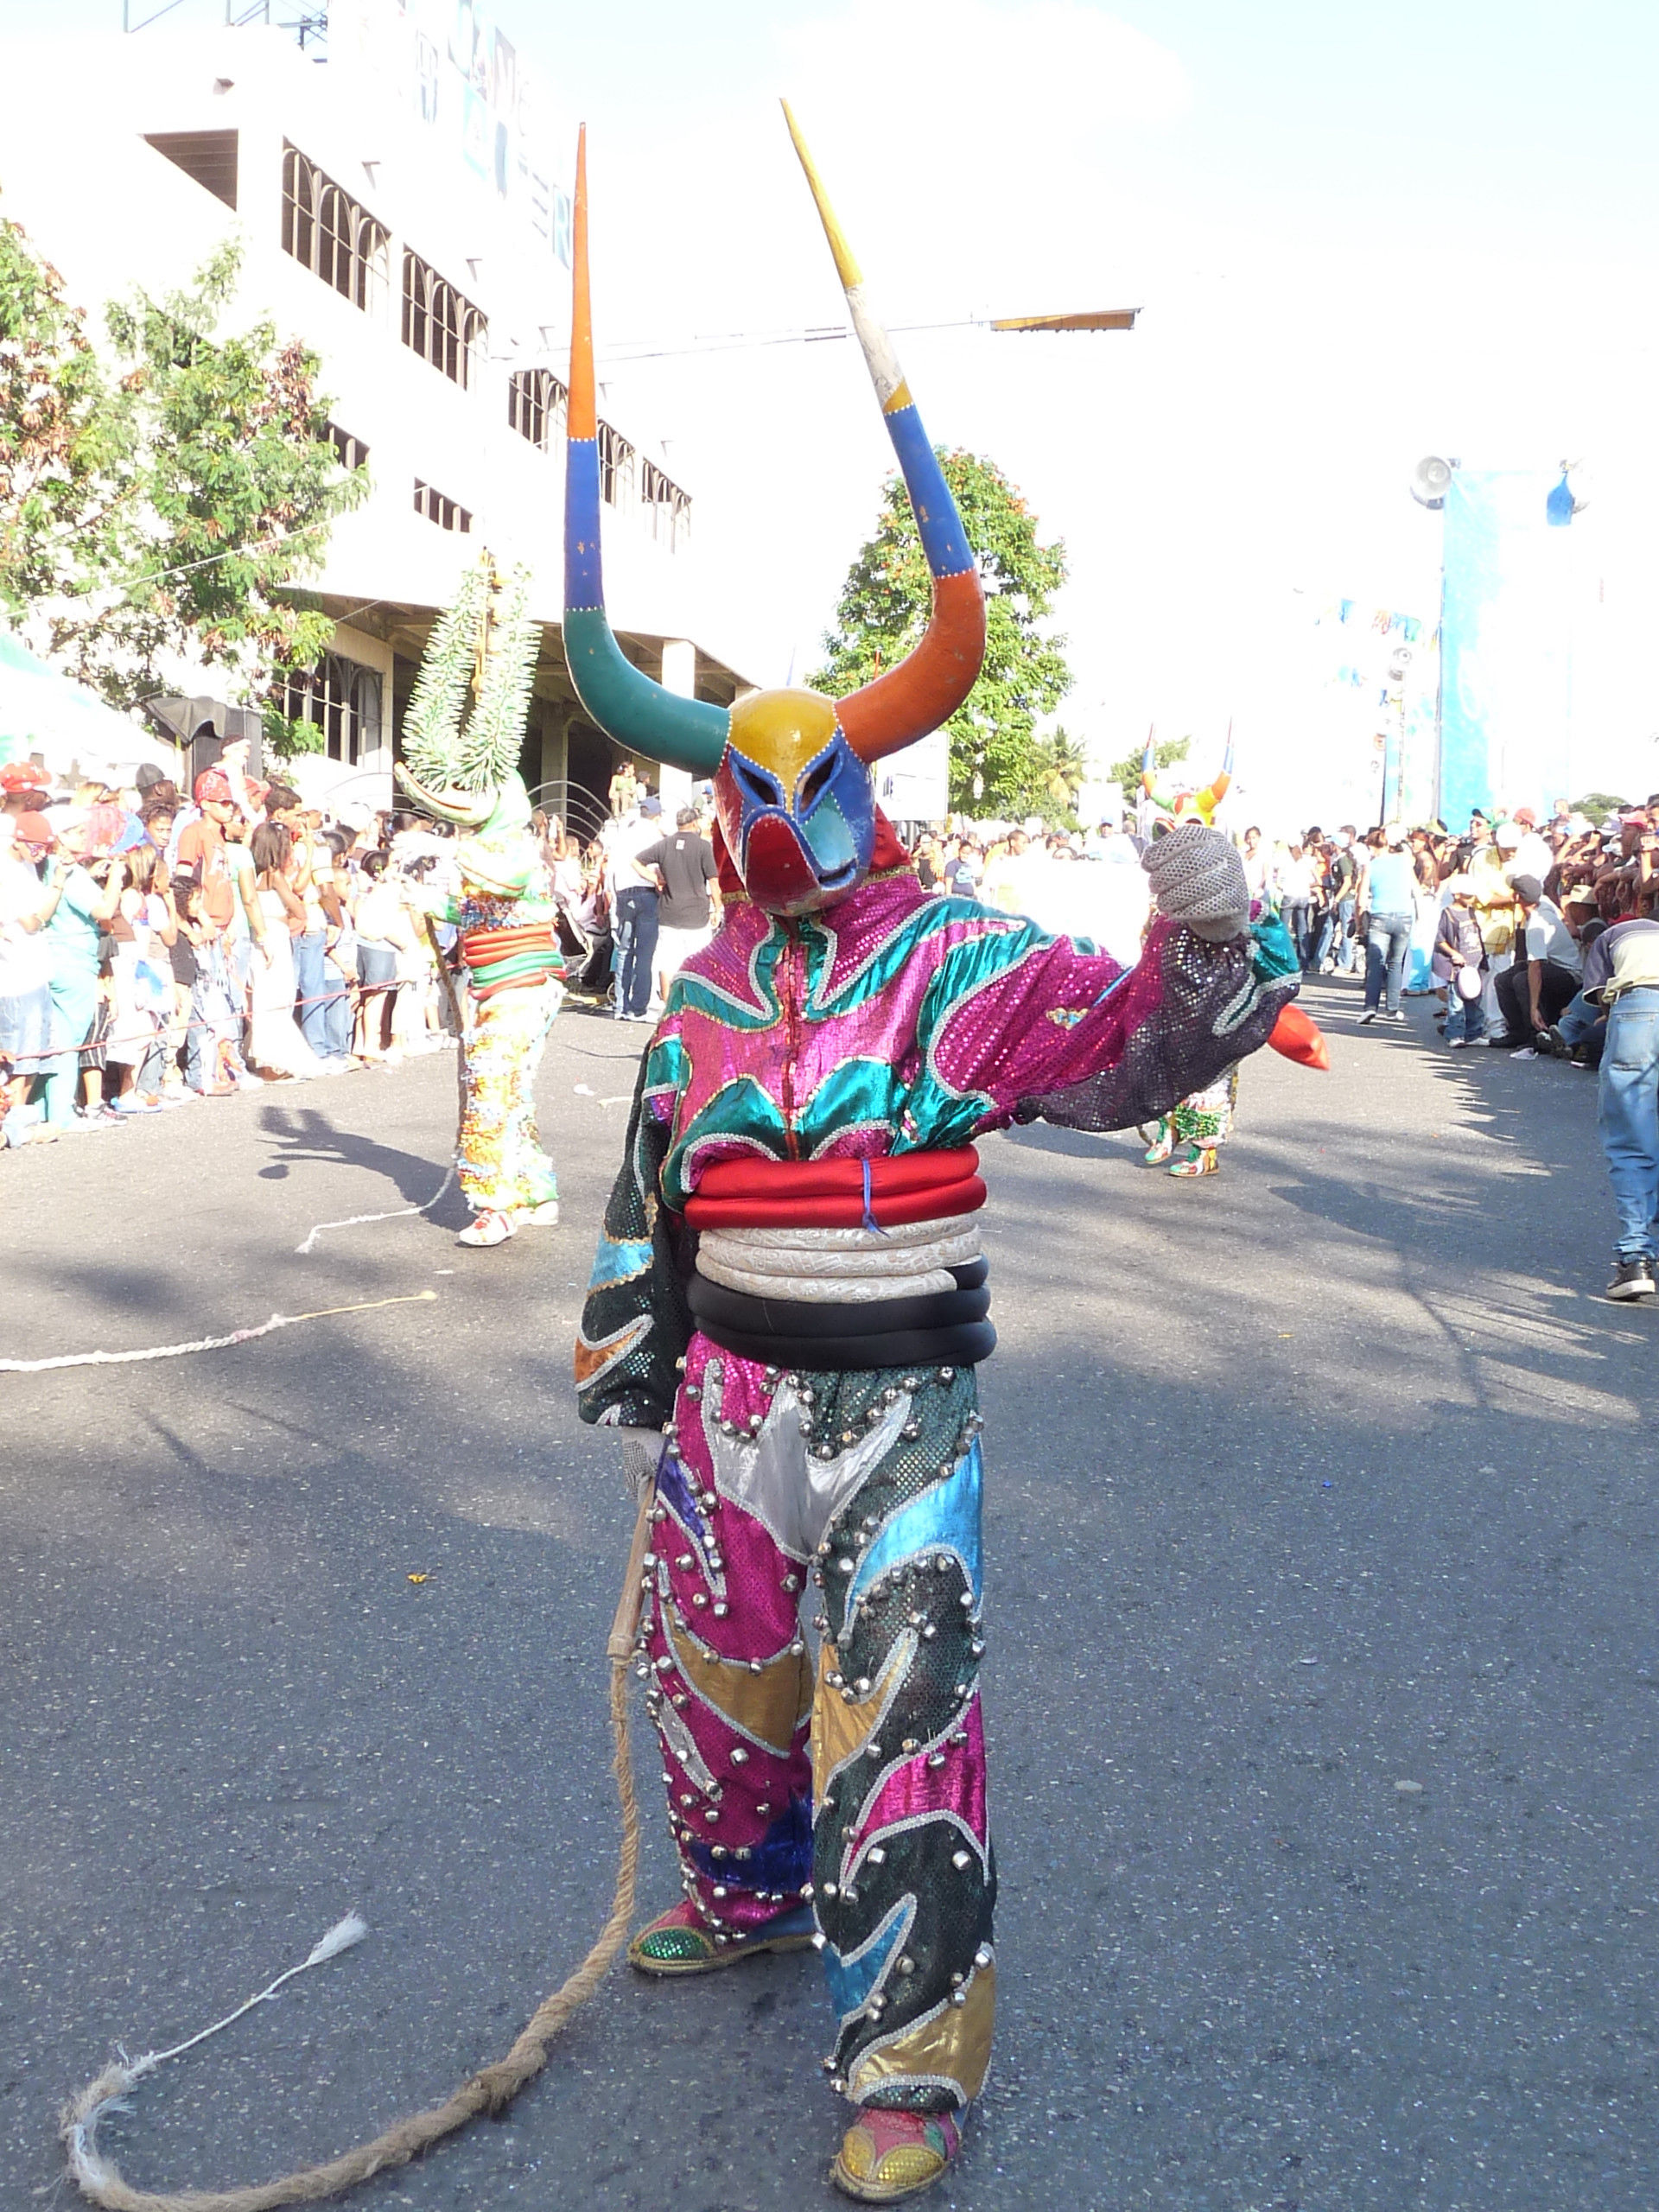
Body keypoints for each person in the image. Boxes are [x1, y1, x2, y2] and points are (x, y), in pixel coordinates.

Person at [562, 128, 1302, 2203]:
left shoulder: (959, 951)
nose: (784, 819)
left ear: (858, 795)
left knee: (903, 1695)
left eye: (815, 785)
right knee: (714, 1677)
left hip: (902, 1389)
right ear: (728, 821)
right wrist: (638, 1364)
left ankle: (905, 2051)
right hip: (725, 1392)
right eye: (755, 795)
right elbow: (654, 1187)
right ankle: (734, 1884)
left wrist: (1204, 927)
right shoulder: (705, 991)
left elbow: (1128, 1057)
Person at [397, 556, 566, 1248]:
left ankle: (496, 1201)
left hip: (525, 988)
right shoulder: (482, 856)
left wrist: (438, 865)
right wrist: (430, 906)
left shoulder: (515, 849)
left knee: (491, 1086)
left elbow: (495, 885)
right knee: (507, 1090)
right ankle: (533, 1190)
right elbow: (475, 912)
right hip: (494, 986)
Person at [1581, 913, 1659, 1298]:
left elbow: (1600, 1001)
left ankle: (1636, 1258)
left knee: (1632, 1139)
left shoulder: (1610, 936)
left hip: (1637, 1009)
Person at [176, 769, 257, 1095]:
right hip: (204, 927)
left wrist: (228, 926)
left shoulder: (221, 838)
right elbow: (182, 884)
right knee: (206, 1006)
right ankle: (201, 1076)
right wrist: (200, 919)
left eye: (230, 803)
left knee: (226, 1004)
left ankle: (225, 1069)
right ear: (205, 803)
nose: (229, 808)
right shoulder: (193, 833)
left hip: (224, 929)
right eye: (223, 802)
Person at [640, 804, 721, 1001]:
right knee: (700, 960)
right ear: (694, 823)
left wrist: (655, 879)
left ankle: (668, 1003)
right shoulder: (703, 846)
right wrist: (718, 908)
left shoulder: (664, 844)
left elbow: (636, 861)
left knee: (668, 961)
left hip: (669, 912)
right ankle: (698, 1003)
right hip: (696, 914)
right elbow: (713, 880)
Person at [1497, 875, 1583, 1055]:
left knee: (1523, 979)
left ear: (1516, 898)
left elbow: (1535, 967)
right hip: (1553, 966)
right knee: (1503, 979)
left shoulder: (1536, 924)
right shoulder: (1543, 902)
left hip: (1570, 974)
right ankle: (1516, 1032)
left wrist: (1533, 1008)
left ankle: (1536, 1034)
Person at [611, 794, 664, 1020]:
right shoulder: (654, 834)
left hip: (623, 894)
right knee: (644, 954)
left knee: (624, 951)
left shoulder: (624, 831)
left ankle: (620, 1006)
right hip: (646, 893)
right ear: (657, 816)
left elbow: (611, 866)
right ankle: (638, 1008)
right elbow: (657, 865)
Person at [1358, 824, 1417, 1024]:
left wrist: (1359, 923)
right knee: (1396, 963)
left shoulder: (1370, 866)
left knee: (1376, 963)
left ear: (1373, 847)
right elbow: (1415, 889)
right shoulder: (1404, 861)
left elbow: (1360, 901)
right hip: (1404, 916)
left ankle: (1370, 1008)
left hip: (1380, 916)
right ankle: (1393, 1008)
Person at [1431, 876, 1487, 1046]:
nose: (1472, 899)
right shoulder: (1448, 914)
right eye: (1468, 896)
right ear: (1457, 895)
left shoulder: (1473, 912)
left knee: (1475, 999)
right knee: (1456, 1001)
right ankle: (1455, 1034)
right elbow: (1440, 939)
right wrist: (1453, 953)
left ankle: (1474, 1033)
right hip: (1457, 966)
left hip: (1474, 962)